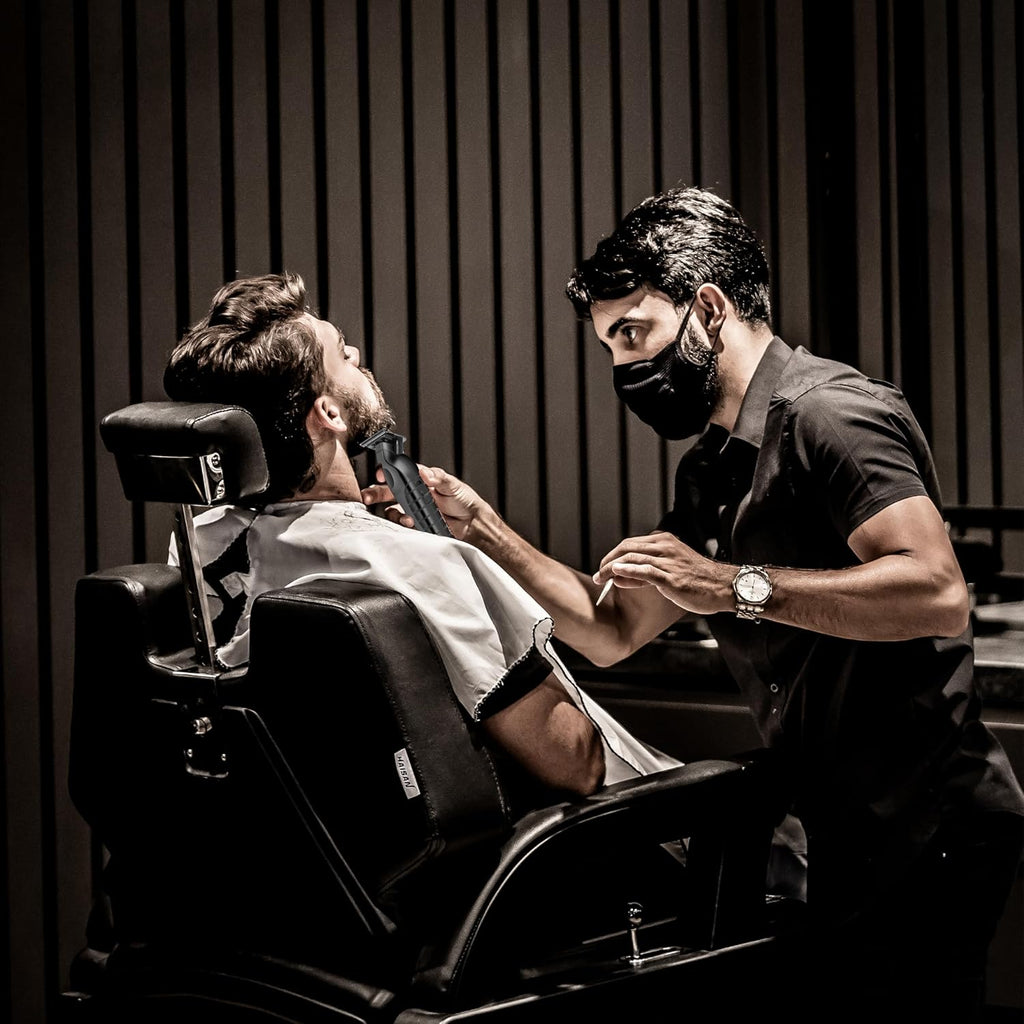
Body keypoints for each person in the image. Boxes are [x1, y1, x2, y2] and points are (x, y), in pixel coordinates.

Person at [361, 186, 1024, 1021]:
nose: (622, 368)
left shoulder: (832, 414)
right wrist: (481, 526)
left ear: (708, 308)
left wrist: (728, 585)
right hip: (839, 815)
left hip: (930, 818)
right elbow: (612, 629)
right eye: (609, 346)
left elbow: (934, 591)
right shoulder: (712, 466)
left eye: (633, 333)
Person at [162, 271, 681, 808]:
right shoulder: (415, 563)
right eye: (342, 352)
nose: (356, 354)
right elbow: (576, 762)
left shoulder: (197, 549)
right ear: (329, 413)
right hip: (629, 826)